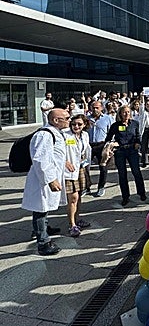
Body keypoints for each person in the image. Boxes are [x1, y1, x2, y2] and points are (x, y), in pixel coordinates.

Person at [22, 108, 69, 256]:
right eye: (66, 118)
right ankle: (43, 242)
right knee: (40, 209)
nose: (69, 119)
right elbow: (40, 159)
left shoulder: (55, 133)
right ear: (56, 120)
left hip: (49, 176)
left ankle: (45, 228)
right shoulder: (44, 135)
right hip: (43, 179)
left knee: (45, 207)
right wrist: (50, 180)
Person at [106, 106, 147, 206]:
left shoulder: (134, 123)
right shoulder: (115, 125)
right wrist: (113, 144)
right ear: (120, 114)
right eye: (124, 112)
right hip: (120, 151)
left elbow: (138, 136)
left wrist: (138, 143)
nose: (126, 114)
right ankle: (125, 196)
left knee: (136, 172)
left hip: (132, 150)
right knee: (122, 174)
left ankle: (141, 193)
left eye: (128, 112)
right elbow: (108, 138)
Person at [64, 114, 92, 237]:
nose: (76, 126)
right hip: (69, 170)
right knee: (73, 198)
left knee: (79, 195)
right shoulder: (65, 135)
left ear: (84, 124)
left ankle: (77, 218)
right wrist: (64, 162)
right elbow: (57, 151)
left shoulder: (85, 135)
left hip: (81, 168)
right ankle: (72, 224)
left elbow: (86, 151)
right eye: (74, 124)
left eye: (79, 124)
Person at [87, 101, 115, 197]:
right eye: (93, 107)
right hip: (89, 145)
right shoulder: (87, 119)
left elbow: (112, 133)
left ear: (102, 108)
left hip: (102, 145)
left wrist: (110, 146)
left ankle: (101, 187)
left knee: (103, 167)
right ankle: (86, 187)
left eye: (97, 107)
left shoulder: (107, 118)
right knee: (85, 167)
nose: (95, 109)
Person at [137, 96, 149, 167]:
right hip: (145, 130)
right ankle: (143, 161)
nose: (148, 106)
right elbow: (141, 105)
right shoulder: (143, 112)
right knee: (144, 146)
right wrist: (141, 96)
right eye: (147, 104)